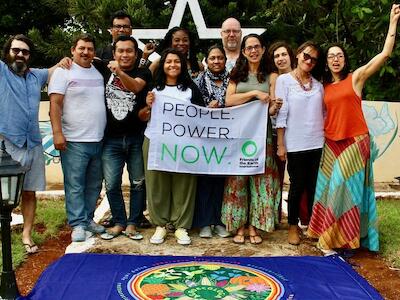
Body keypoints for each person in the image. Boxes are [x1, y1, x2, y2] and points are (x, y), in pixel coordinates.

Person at [308, 4, 400, 255]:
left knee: (342, 191)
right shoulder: (322, 87)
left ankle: (338, 242)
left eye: (339, 55)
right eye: (331, 56)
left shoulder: (355, 79)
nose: (335, 59)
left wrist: (392, 23)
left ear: (345, 59)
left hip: (354, 141)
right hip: (331, 143)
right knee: (327, 192)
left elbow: (383, 55)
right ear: (326, 63)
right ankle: (330, 234)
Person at [0, 34, 68, 254]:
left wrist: (64, 61)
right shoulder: (2, 72)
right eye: (15, 50)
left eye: (25, 51)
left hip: (33, 144)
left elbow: (53, 69)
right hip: (7, 143)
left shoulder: (35, 76)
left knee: (29, 192)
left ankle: (27, 234)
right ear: (7, 52)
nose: (20, 54)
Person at [222, 34, 282, 245]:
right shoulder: (237, 74)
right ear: (244, 51)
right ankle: (237, 225)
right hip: (238, 137)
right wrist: (256, 93)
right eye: (249, 48)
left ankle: (254, 226)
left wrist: (275, 106)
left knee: (261, 181)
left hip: (262, 137)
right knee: (237, 181)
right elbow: (229, 100)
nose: (253, 51)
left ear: (263, 49)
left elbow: (273, 107)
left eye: (257, 47)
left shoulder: (272, 76)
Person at [93, 35, 152, 241]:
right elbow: (81, 58)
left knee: (138, 183)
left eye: (129, 51)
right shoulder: (102, 70)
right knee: (111, 184)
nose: (125, 54)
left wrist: (117, 71)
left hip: (136, 137)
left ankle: (133, 223)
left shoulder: (143, 71)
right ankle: (119, 222)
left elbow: (135, 87)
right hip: (110, 139)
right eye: (121, 51)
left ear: (136, 54)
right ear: (114, 53)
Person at [142, 48, 204, 245]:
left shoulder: (191, 89)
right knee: (156, 183)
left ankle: (181, 227)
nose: (173, 65)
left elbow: (201, 117)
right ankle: (160, 225)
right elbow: (142, 117)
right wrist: (148, 106)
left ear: (183, 65)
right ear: (163, 65)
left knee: (184, 183)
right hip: (155, 140)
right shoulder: (153, 88)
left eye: (177, 61)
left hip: (184, 144)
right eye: (168, 61)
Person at [49, 34, 106, 242]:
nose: (85, 52)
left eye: (90, 49)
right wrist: (57, 133)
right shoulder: (63, 72)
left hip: (98, 139)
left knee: (94, 184)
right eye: (81, 48)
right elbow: (55, 104)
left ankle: (88, 219)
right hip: (73, 140)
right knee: (75, 184)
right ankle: (77, 224)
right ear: (73, 50)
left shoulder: (99, 71)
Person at [275, 41, 325, 245]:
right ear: (297, 55)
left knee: (315, 187)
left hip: (318, 142)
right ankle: (293, 226)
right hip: (295, 143)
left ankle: (313, 226)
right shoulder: (283, 81)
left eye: (313, 59)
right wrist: (280, 143)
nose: (309, 61)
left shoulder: (319, 85)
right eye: (306, 56)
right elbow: (281, 114)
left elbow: (323, 113)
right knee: (297, 186)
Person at [192, 44, 230, 238]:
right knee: (205, 181)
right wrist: (207, 108)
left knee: (222, 181)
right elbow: (192, 108)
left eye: (220, 58)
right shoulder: (198, 81)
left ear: (225, 60)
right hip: (204, 139)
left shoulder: (234, 80)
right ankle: (205, 222)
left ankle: (220, 221)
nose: (216, 61)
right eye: (212, 58)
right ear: (206, 61)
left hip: (226, 139)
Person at [268, 41, 295, 223]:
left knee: (299, 180)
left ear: (291, 56)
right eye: (276, 56)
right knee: (276, 178)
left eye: (283, 54)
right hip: (277, 135)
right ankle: (275, 217)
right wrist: (274, 107)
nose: (280, 59)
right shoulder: (273, 79)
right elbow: (271, 109)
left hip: (301, 136)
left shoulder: (303, 78)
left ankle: (302, 217)